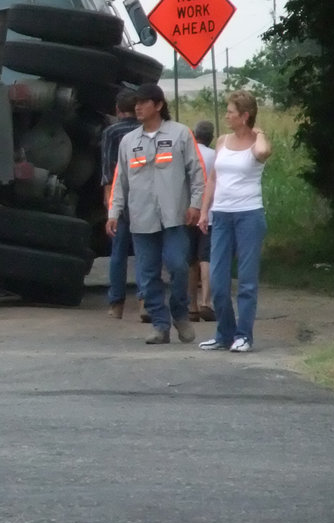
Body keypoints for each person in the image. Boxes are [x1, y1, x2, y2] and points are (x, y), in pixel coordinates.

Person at [107, 83, 204, 345]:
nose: (137, 107)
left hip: (175, 216)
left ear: (158, 105)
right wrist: (113, 212)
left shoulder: (180, 134)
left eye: (143, 102)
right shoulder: (129, 142)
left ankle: (180, 313)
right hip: (141, 218)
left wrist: (196, 204)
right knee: (147, 275)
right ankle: (160, 325)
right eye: (135, 103)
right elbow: (120, 181)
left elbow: (197, 173)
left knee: (177, 265)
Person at [198, 91, 272, 353]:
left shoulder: (257, 143)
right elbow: (213, 179)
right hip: (222, 213)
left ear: (245, 115)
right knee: (218, 281)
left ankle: (244, 335)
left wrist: (259, 132)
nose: (227, 116)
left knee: (247, 280)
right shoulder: (222, 141)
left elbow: (263, 152)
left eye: (231, 112)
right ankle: (224, 333)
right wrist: (205, 211)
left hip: (249, 214)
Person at [100, 89, 142, 320]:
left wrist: (109, 202)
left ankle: (116, 304)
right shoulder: (144, 131)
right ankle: (145, 299)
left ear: (117, 110)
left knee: (118, 253)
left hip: (119, 198)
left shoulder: (111, 132)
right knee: (145, 250)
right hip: (143, 198)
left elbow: (107, 170)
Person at [186, 120, 217, 322]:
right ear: (211, 137)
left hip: (189, 212)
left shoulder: (188, 153)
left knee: (190, 260)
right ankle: (207, 300)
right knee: (206, 258)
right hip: (211, 213)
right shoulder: (215, 156)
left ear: (195, 134)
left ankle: (192, 305)